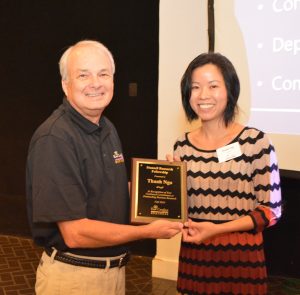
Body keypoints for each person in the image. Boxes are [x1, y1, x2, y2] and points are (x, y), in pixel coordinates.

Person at [26, 40, 183, 295]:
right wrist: (147, 232)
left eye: (103, 74)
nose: (95, 83)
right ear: (65, 85)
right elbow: (76, 233)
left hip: (112, 275)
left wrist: (163, 184)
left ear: (113, 80)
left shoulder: (107, 128)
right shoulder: (55, 139)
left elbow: (113, 191)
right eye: (83, 75)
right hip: (74, 280)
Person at [171, 52, 282, 294]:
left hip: (241, 264)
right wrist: (167, 188)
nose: (203, 96)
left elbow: (271, 211)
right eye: (196, 87)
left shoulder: (256, 142)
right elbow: (180, 211)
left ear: (230, 89)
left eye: (213, 86)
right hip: (196, 263)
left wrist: (217, 229)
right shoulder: (182, 146)